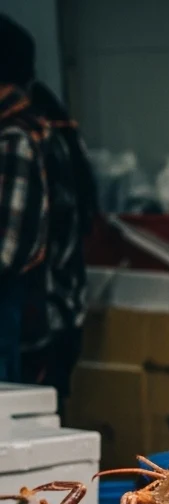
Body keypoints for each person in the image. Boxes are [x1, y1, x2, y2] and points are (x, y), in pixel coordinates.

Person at [0, 15, 96, 403]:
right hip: (51, 324)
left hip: (28, 329)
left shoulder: (14, 139)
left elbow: (6, 253)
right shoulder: (45, 125)